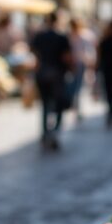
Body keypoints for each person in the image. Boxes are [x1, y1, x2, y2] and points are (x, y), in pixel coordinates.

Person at [30, 11, 73, 150]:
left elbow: (35, 56)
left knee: (45, 104)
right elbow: (67, 57)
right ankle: (55, 131)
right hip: (57, 74)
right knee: (58, 105)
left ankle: (45, 132)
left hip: (42, 74)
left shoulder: (40, 36)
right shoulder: (61, 37)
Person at [67, 17, 96, 123]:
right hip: (72, 65)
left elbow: (89, 51)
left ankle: (76, 109)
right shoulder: (70, 36)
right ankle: (74, 107)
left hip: (80, 64)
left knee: (78, 88)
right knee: (74, 88)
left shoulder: (84, 36)